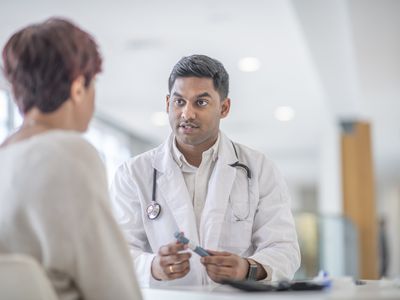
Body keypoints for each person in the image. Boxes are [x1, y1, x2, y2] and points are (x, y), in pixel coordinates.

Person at [111, 54, 300, 287]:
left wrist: (248, 268)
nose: (187, 114)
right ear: (167, 103)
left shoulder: (259, 169)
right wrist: (153, 267)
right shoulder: (133, 174)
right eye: (179, 101)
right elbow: (115, 254)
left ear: (224, 107)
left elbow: (284, 249)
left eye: (200, 102)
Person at [0, 18, 142, 300]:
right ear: (78, 88)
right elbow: (116, 289)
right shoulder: (68, 153)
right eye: (94, 84)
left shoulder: (6, 156)